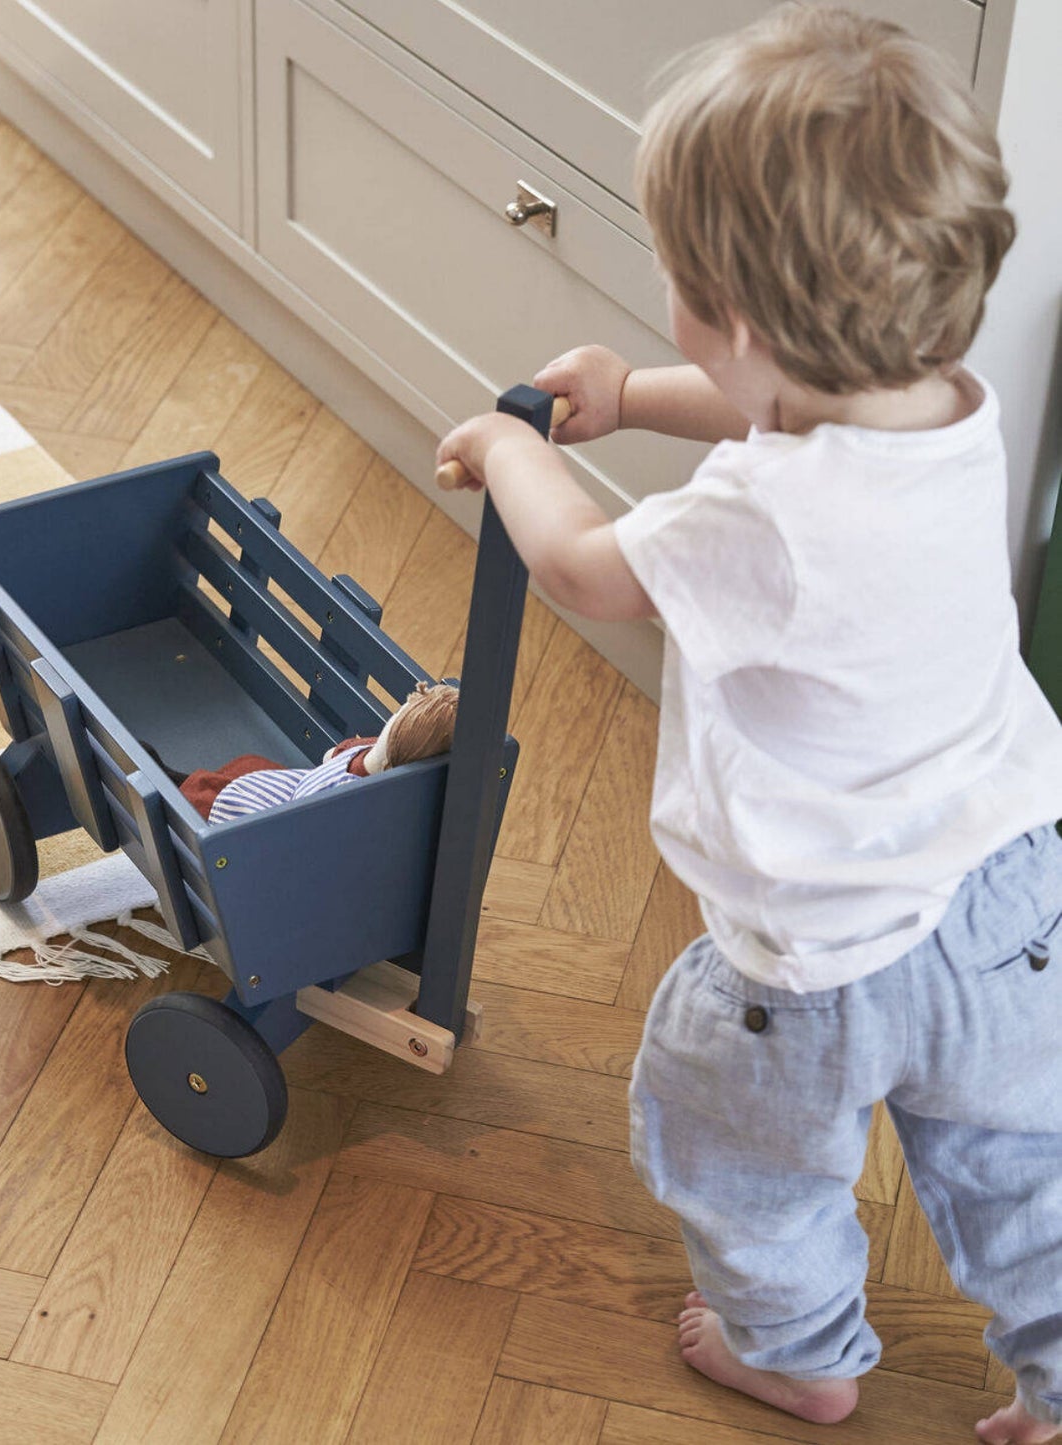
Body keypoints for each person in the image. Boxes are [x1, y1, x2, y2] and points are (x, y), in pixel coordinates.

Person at [436, 8, 1062, 1441]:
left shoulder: (761, 522)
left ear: (733, 315)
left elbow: (589, 570)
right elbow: (784, 409)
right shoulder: (952, 408)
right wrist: (630, 394)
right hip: (1011, 899)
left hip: (820, 958)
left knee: (742, 1152)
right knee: (1023, 1163)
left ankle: (799, 1352)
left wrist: (515, 449)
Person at [147, 682, 460, 821]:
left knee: (210, 798)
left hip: (277, 817)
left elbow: (303, 808)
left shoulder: (343, 791)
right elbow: (335, 757)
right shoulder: (378, 761)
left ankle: (171, 789)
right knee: (250, 768)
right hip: (290, 792)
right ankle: (173, 779)